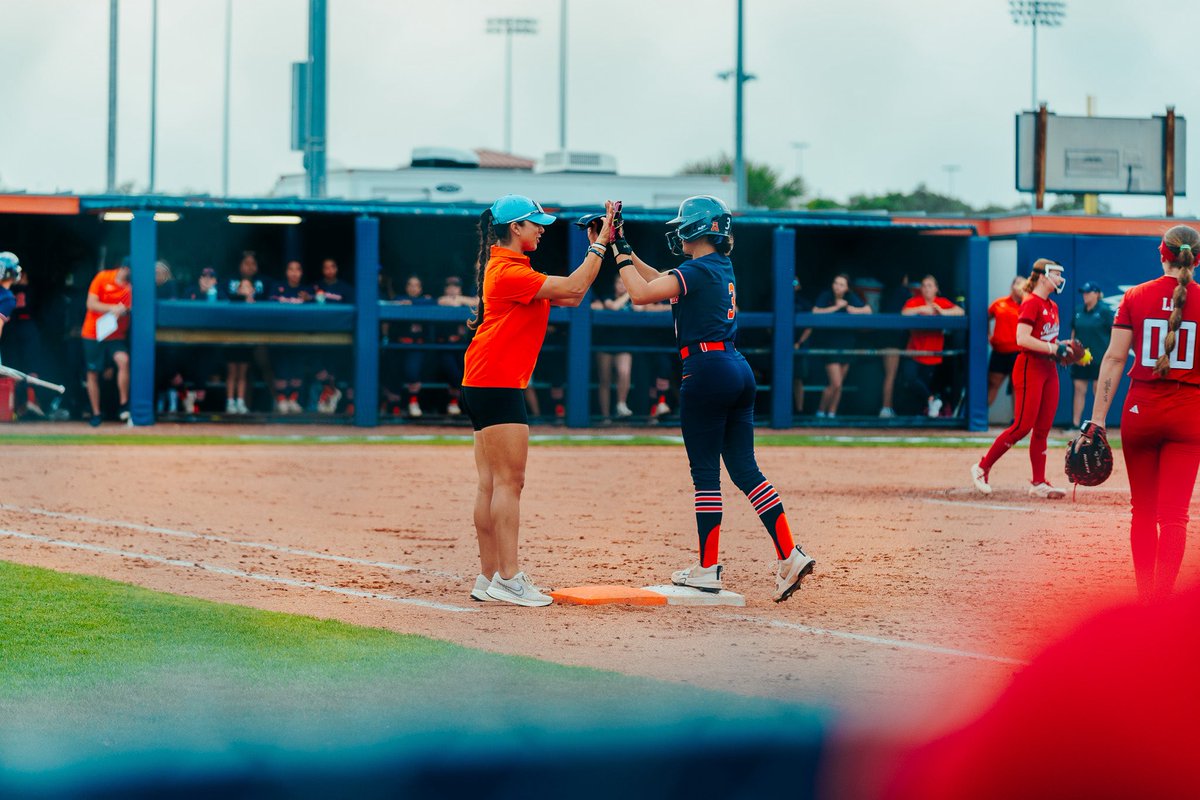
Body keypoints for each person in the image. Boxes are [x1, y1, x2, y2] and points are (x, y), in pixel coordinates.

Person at [612, 195, 816, 602]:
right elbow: (661, 281)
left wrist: (616, 254)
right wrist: (628, 249)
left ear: (697, 229)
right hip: (736, 368)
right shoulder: (716, 266)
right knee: (745, 470)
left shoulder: (697, 269)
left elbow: (641, 293)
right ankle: (788, 553)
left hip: (705, 371)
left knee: (706, 475)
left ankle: (707, 569)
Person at [461, 195, 611, 607]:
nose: (541, 229)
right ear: (515, 228)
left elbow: (573, 296)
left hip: (484, 380)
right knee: (510, 482)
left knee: (491, 483)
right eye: (535, 223)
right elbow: (576, 285)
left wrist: (595, 247)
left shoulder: (511, 268)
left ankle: (489, 577)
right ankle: (508, 579)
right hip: (496, 383)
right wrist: (600, 244)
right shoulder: (507, 270)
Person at [1088, 225, 1200, 600]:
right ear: (1196, 259)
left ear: (1161, 253)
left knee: (1143, 512)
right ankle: (1162, 603)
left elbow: (1115, 358)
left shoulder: (1136, 295)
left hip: (1142, 409)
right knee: (1174, 516)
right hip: (1189, 412)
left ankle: (1145, 599)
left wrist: (1098, 418)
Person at [970, 259, 1071, 499]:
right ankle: (982, 467)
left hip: (1048, 369)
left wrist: (1063, 348)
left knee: (1043, 428)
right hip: (1030, 367)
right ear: (1042, 276)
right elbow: (1022, 339)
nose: (1059, 279)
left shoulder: (1052, 306)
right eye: (1055, 274)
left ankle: (1038, 482)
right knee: (1022, 426)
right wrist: (1052, 348)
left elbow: (1047, 341)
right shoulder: (1031, 303)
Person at [901, 275, 965, 417]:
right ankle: (932, 400)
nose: (926, 289)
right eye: (924, 286)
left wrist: (943, 312)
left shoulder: (941, 302)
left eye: (930, 286)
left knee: (925, 384)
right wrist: (922, 309)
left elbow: (960, 312)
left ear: (936, 289)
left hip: (932, 353)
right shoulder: (915, 302)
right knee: (909, 378)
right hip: (914, 351)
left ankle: (925, 412)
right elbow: (904, 313)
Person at [811, 273, 871, 418]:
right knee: (835, 383)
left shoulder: (851, 297)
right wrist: (836, 308)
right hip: (830, 345)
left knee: (839, 385)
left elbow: (868, 310)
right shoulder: (827, 296)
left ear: (847, 288)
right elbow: (815, 311)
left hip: (848, 345)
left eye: (842, 284)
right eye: (836, 283)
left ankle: (831, 413)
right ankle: (820, 412)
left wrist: (853, 309)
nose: (838, 287)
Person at [81, 256, 133, 427]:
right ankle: (96, 413)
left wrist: (124, 310)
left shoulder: (130, 288)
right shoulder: (103, 277)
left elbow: (129, 309)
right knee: (93, 372)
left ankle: (124, 405)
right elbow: (91, 303)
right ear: (124, 268)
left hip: (115, 335)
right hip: (93, 333)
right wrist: (113, 308)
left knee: (123, 360)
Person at [224, 251, 270, 414]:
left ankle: (241, 402)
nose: (249, 267)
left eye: (252, 264)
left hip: (248, 337)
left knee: (243, 371)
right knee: (232, 371)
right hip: (232, 336)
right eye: (246, 263)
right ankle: (230, 402)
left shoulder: (258, 294)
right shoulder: (231, 292)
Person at [269, 260, 313, 413]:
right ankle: (281, 399)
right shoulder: (277, 288)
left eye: (298, 270)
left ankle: (293, 399)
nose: (294, 273)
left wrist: (309, 300)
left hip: (300, 336)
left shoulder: (307, 290)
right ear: (286, 272)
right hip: (280, 335)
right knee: (281, 368)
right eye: (291, 269)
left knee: (297, 369)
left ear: (301, 272)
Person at [1070, 280, 1114, 429]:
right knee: (1079, 388)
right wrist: (1072, 352)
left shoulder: (1105, 311)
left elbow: (1114, 333)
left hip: (1100, 358)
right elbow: (1074, 333)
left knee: (1098, 389)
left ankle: (1098, 424)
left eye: (1088, 292)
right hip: (1081, 359)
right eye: (1084, 292)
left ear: (1096, 294)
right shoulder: (1078, 311)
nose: (1085, 295)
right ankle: (1075, 424)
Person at [394, 275, 436, 417]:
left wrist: (412, 304)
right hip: (398, 346)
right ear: (406, 287)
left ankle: (413, 402)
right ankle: (393, 405)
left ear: (420, 288)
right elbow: (394, 302)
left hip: (417, 346)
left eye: (416, 285)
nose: (413, 288)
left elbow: (432, 302)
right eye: (410, 285)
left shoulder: (426, 300)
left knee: (413, 371)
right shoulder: (399, 299)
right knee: (391, 369)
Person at [434, 275, 474, 416]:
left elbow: (478, 302)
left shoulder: (465, 301)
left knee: (466, 372)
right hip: (444, 346)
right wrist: (454, 301)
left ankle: (456, 403)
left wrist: (460, 300)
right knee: (454, 373)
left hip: (461, 346)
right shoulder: (441, 300)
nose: (452, 289)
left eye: (455, 286)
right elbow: (441, 301)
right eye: (449, 286)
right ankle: (455, 402)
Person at [877, 273, 912, 419]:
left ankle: (888, 408)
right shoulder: (902, 292)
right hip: (892, 339)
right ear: (903, 279)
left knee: (892, 375)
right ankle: (886, 408)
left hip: (887, 337)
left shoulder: (886, 292)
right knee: (890, 375)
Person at [986, 276, 1025, 407]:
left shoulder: (1027, 305)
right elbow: (986, 317)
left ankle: (1016, 421)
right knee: (992, 383)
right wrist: (988, 335)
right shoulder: (999, 303)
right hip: (999, 352)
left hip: (1018, 353)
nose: (1021, 287)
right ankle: (981, 418)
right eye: (1018, 284)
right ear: (1012, 286)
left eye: (1024, 285)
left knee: (1017, 386)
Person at [792, 278, 813, 415]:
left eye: (794, 283)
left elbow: (809, 326)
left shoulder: (803, 303)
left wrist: (798, 343)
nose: (793, 285)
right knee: (780, 377)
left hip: (799, 346)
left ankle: (799, 410)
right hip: (780, 346)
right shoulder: (776, 300)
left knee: (798, 379)